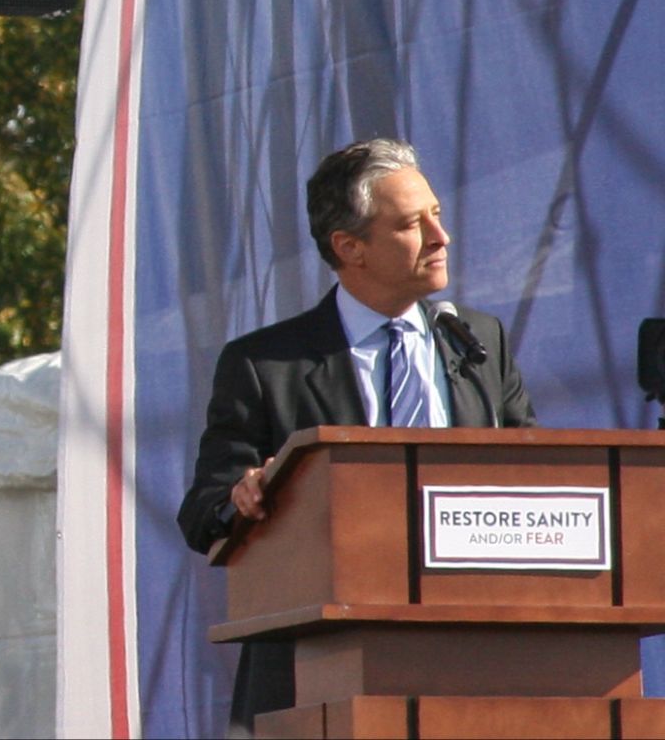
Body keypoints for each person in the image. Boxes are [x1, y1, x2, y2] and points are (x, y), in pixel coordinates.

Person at [176, 137, 536, 735]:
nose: (441, 237)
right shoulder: (267, 365)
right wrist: (240, 498)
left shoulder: (478, 342)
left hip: (472, 657)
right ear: (350, 247)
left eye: (436, 215)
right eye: (412, 225)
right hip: (321, 664)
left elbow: (541, 475)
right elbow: (204, 509)